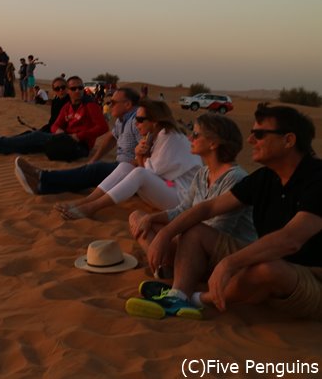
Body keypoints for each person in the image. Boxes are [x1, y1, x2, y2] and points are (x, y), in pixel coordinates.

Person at [128, 103, 322, 320]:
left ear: (288, 140)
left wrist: (229, 263)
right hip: (268, 258)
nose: (250, 141)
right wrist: (166, 233)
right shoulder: (265, 177)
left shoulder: (317, 179)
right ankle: (178, 296)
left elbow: (290, 240)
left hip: (312, 276)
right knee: (195, 231)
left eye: (258, 135)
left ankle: (197, 299)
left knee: (269, 270)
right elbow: (208, 207)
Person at [128, 114, 256, 277]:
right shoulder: (203, 173)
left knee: (189, 233)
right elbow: (183, 209)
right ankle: (167, 267)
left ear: (213, 143)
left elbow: (218, 229)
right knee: (137, 217)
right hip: (193, 241)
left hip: (220, 253)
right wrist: (152, 219)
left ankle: (171, 268)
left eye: (195, 135)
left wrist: (167, 234)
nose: (190, 138)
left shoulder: (235, 178)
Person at [57, 99, 200, 220]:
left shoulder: (169, 137)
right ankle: (86, 201)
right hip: (169, 185)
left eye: (140, 120)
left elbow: (150, 172)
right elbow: (147, 169)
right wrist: (139, 156)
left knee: (139, 173)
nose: (136, 124)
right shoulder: (155, 136)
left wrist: (139, 155)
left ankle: (92, 207)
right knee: (126, 166)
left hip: (183, 197)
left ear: (155, 121)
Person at [14, 87, 141, 195]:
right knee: (89, 174)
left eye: (113, 102)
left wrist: (129, 165)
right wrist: (94, 159)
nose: (109, 105)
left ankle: (42, 177)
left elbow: (150, 153)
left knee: (95, 171)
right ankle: (43, 186)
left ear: (128, 104)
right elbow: (111, 137)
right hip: (122, 168)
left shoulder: (137, 121)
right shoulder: (122, 119)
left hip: (132, 172)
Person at [0, 76, 108, 158]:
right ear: (69, 90)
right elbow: (56, 124)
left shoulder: (90, 105)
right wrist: (59, 131)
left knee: (36, 137)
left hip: (80, 147)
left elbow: (103, 127)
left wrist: (78, 136)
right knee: (33, 144)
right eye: (73, 88)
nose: (77, 91)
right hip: (65, 140)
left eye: (80, 88)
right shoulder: (67, 106)